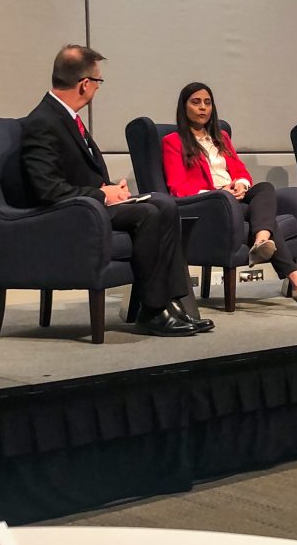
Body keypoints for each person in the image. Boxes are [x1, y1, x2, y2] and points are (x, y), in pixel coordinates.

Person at [20, 44, 213, 337]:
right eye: (98, 81)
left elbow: (76, 172)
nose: (99, 88)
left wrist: (109, 189)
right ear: (85, 84)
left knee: (164, 205)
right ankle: (152, 310)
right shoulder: (43, 122)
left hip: (89, 204)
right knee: (148, 214)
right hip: (67, 214)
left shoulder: (65, 117)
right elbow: (47, 189)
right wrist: (101, 195)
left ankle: (173, 302)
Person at [162, 83, 297, 309]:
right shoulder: (173, 142)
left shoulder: (220, 137)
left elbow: (241, 172)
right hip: (210, 206)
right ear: (184, 108)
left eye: (207, 102)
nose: (203, 108)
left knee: (264, 188)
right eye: (195, 102)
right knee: (263, 215)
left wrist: (240, 185)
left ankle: (262, 241)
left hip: (235, 198)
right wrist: (219, 193)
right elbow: (177, 187)